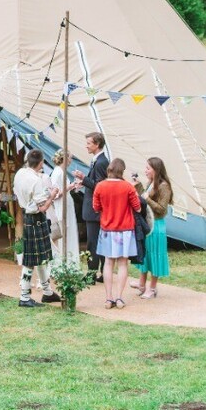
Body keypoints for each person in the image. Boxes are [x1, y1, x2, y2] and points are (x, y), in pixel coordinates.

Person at [13, 150, 62, 308]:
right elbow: (43, 207)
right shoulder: (36, 180)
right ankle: (24, 297)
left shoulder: (20, 173)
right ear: (41, 163)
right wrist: (52, 194)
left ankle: (47, 292)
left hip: (29, 217)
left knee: (42, 258)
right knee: (30, 260)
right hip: (35, 219)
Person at [93, 158, 141, 309]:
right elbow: (138, 208)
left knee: (108, 263)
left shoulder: (100, 186)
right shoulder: (128, 187)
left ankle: (108, 298)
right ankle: (119, 298)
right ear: (122, 171)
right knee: (122, 263)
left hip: (107, 229)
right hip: (125, 230)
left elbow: (95, 207)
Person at [72, 132, 109, 281]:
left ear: (97, 144)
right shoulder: (97, 161)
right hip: (94, 209)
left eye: (89, 143)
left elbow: (100, 186)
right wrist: (85, 181)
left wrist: (83, 178)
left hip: (95, 210)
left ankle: (92, 274)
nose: (86, 145)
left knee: (93, 242)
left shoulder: (101, 162)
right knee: (96, 241)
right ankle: (101, 272)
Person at [136, 157, 173, 299]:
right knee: (146, 255)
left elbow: (162, 210)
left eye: (147, 168)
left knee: (155, 255)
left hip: (157, 226)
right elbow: (144, 199)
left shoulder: (164, 186)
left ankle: (152, 288)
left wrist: (147, 199)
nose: (145, 171)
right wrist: (139, 187)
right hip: (148, 224)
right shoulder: (150, 183)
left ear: (156, 170)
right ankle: (141, 284)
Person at [47, 149, 81, 264]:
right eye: (70, 158)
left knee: (68, 233)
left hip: (67, 205)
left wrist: (72, 187)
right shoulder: (58, 172)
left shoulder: (61, 171)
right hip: (61, 207)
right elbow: (55, 194)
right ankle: (63, 262)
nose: (71, 160)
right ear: (65, 159)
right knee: (64, 234)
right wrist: (70, 186)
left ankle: (68, 261)